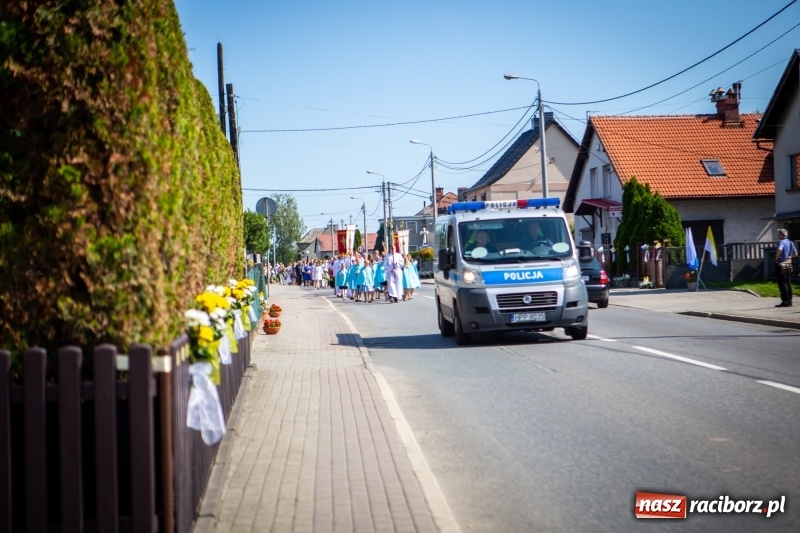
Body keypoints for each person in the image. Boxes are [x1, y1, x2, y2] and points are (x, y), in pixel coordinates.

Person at [774, 228, 797, 307]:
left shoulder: (781, 242)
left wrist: (777, 256)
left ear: (781, 235)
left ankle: (785, 301)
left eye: (778, 234)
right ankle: (790, 301)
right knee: (788, 282)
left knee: (782, 283)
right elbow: (796, 254)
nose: (777, 235)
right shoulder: (790, 242)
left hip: (781, 265)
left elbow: (780, 249)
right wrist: (789, 257)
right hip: (789, 265)